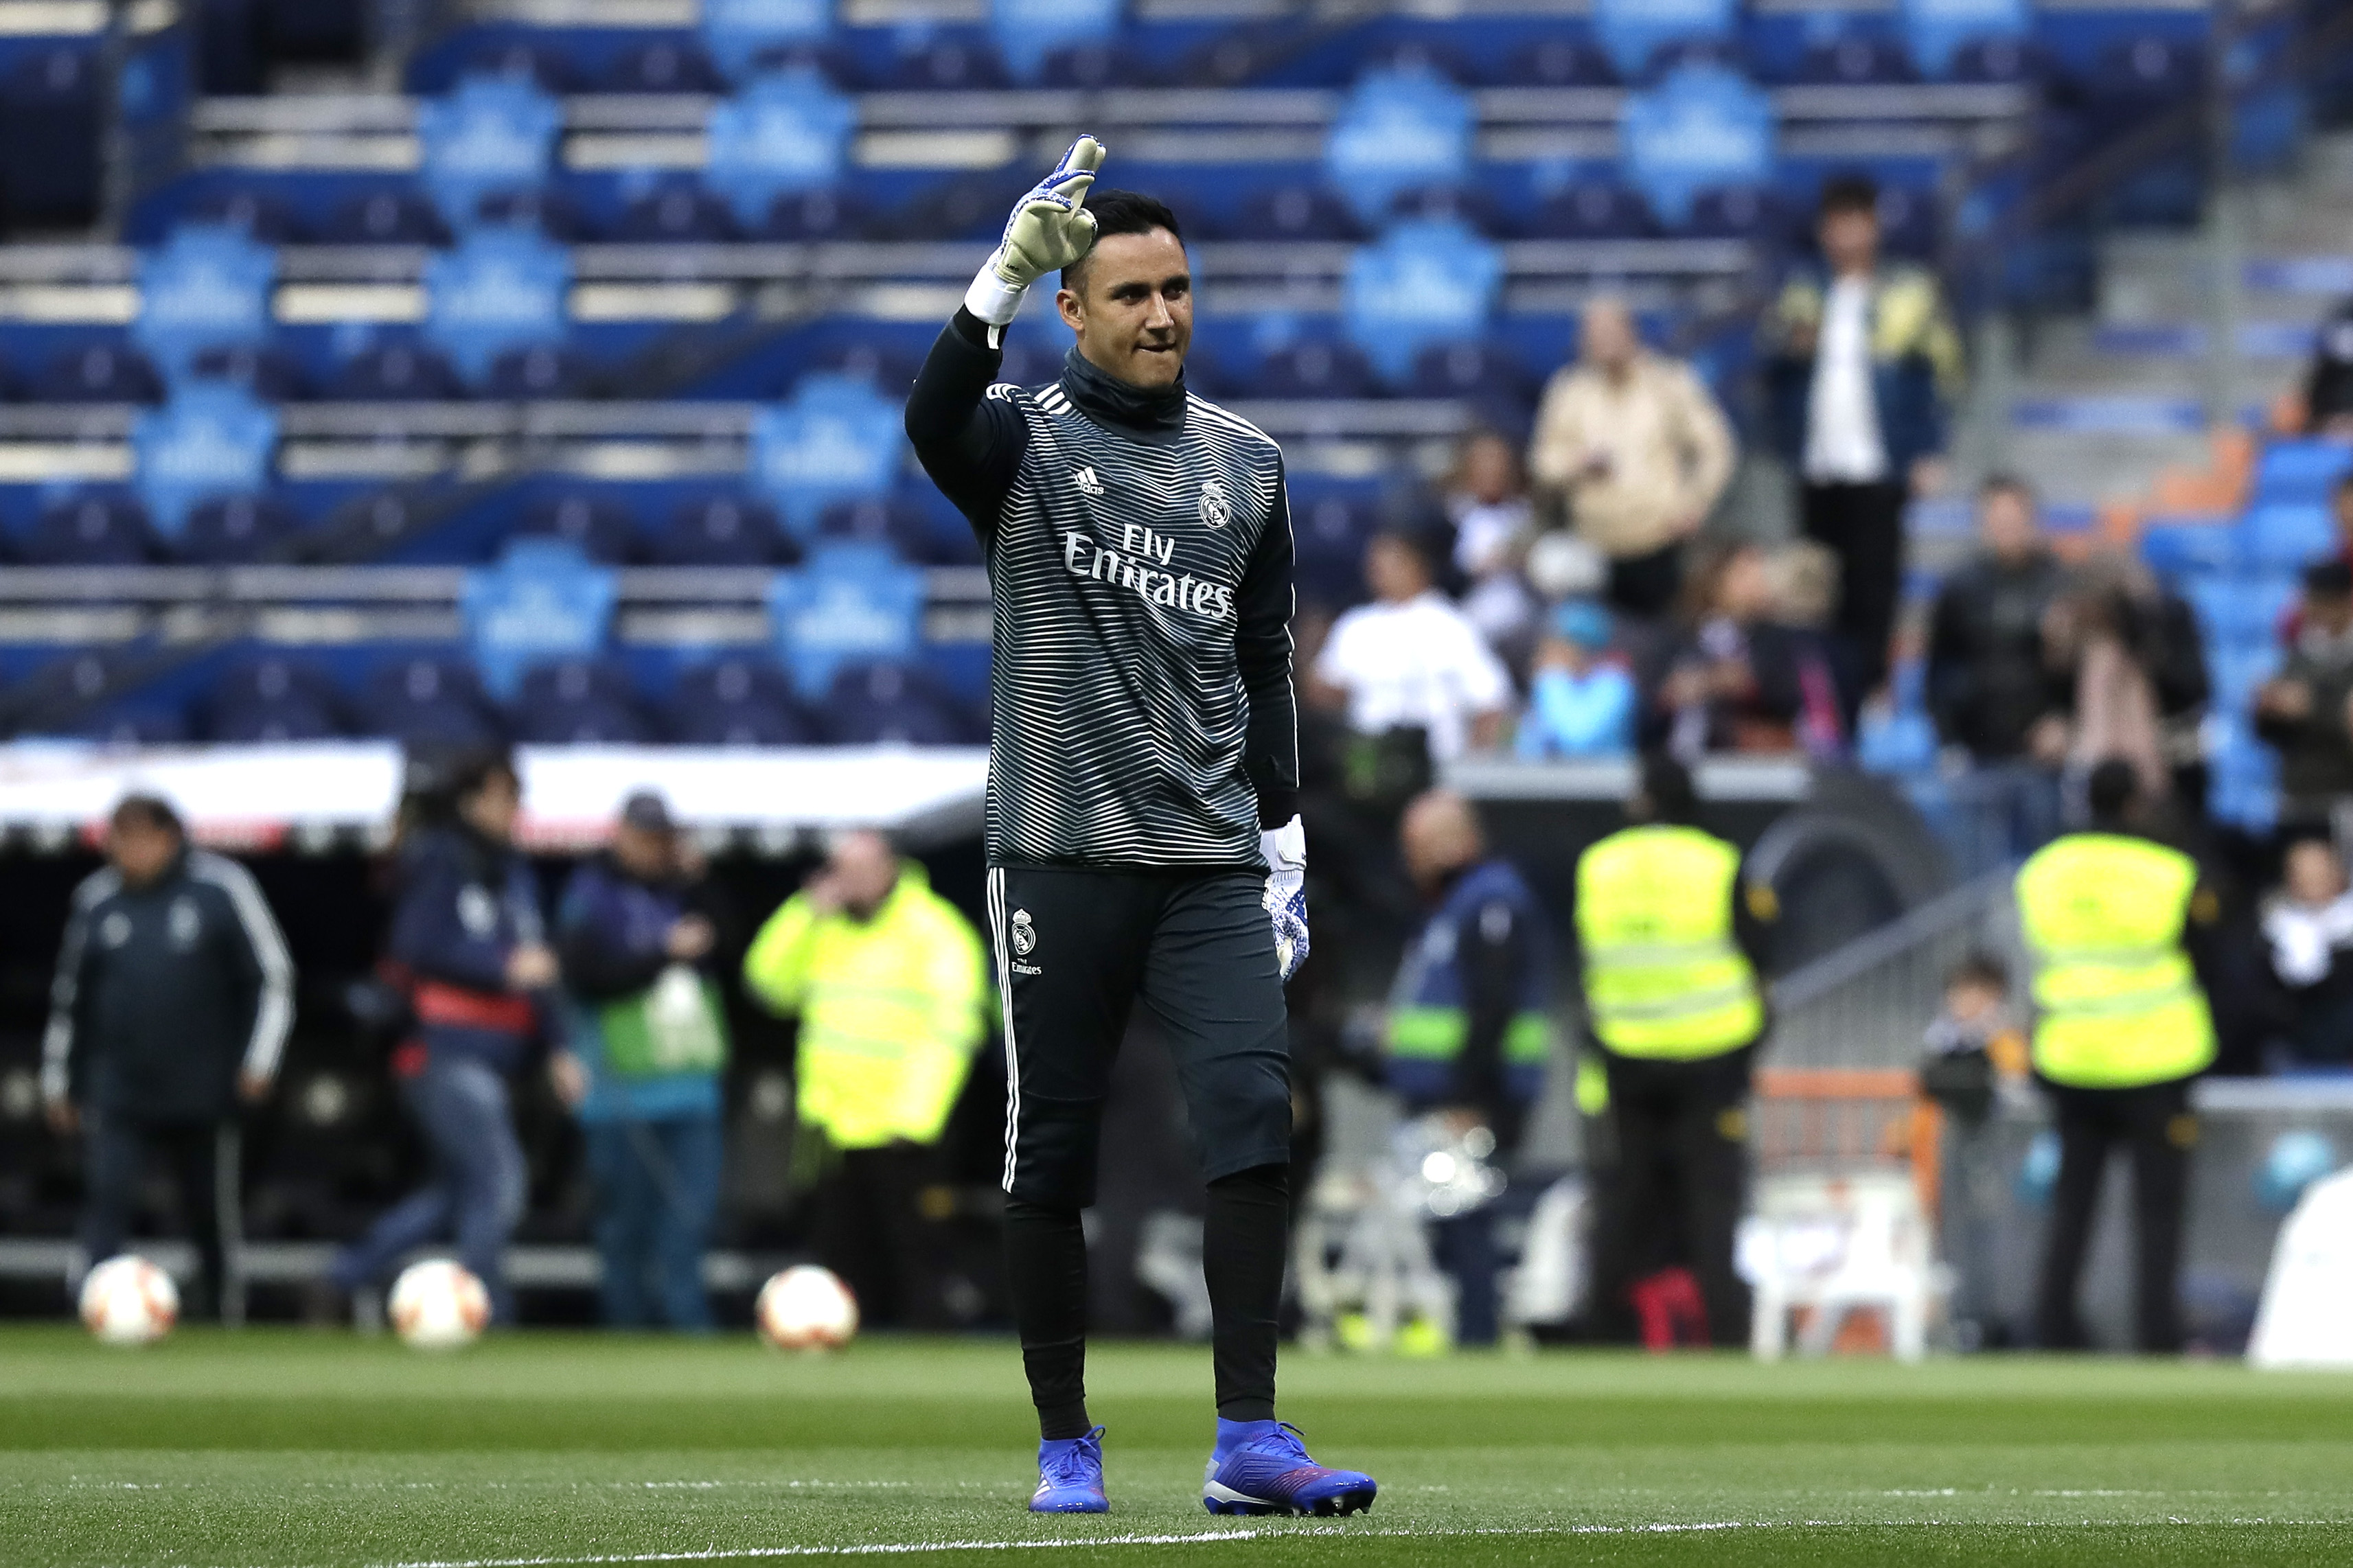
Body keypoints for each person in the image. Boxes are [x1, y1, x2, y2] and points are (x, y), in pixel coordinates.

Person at [901, 139, 1375, 1516]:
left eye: (1177, 290)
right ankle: (1066, 1436)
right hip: (1055, 848)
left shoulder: (1250, 463)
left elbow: (1270, 656)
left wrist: (1281, 833)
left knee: (1251, 1121)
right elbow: (932, 419)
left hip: (1209, 861)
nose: (1162, 314)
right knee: (1051, 1150)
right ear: (1074, 310)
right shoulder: (1022, 442)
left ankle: (1250, 1436)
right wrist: (993, 274)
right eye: (1131, 295)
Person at [41, 794, 293, 1324]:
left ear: (169, 837)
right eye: (117, 837)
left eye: (137, 836)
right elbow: (71, 999)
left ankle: (224, 1312)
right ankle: (88, 1308)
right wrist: (58, 1081)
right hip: (119, 1086)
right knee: (106, 1201)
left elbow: (271, 977)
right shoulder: (97, 899)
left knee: (209, 1212)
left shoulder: (221, 888)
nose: (125, 850)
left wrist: (259, 1061)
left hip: (202, 1087)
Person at [330, 750, 554, 1324]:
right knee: (501, 1184)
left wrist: (555, 1043)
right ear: (472, 800)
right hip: (444, 1050)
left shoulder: (511, 868)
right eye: (505, 797)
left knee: (458, 1192)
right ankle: (486, 1310)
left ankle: (344, 1277)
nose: (515, 810)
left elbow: (537, 965)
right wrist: (501, 964)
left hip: (496, 1055)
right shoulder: (441, 858)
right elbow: (416, 946)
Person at [742, 829, 987, 1330]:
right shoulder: (822, 927)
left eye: (858, 868)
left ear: (887, 868)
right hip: (832, 1128)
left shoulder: (934, 931)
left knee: (917, 1258)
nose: (847, 881)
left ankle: (930, 1366)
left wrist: (916, 1116)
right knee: (842, 1261)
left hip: (905, 1132)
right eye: (839, 869)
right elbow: (766, 984)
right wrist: (802, 913)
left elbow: (955, 1030)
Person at [2017, 758, 2219, 1353]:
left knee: (2070, 1206)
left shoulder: (2044, 871)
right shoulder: (2169, 871)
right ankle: (2156, 1335)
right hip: (2157, 1058)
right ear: (2136, 803)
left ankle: (2053, 1329)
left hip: (2072, 1056)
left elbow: (2035, 948)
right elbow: (2209, 959)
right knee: (2156, 1212)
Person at [1576, 754, 1776, 1347]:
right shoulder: (1718, 863)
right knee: (1711, 1201)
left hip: (1625, 1051)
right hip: (1711, 1053)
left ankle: (1602, 1330)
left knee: (1622, 1199)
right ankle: (1724, 1333)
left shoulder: (1599, 864)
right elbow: (1761, 952)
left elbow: (1589, 956)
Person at [1763, 173, 1965, 713]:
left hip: (1880, 460)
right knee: (1815, 584)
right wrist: (1790, 346)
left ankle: (1873, 688)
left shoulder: (1909, 290)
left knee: (1876, 584)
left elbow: (1938, 374)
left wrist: (1929, 447)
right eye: (1837, 225)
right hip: (1818, 463)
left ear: (1874, 227)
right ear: (1824, 231)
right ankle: (1820, 691)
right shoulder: (1803, 290)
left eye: (1858, 223)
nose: (1848, 236)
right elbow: (1771, 366)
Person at [551, 790, 728, 1332]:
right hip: (621, 1088)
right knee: (625, 1224)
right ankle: (625, 1331)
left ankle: (688, 1328)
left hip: (692, 1085)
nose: (655, 850)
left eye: (663, 840)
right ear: (620, 836)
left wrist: (701, 882)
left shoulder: (683, 894)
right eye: (645, 838)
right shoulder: (591, 896)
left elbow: (730, 945)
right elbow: (584, 976)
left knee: (689, 1219)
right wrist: (663, 954)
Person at [1383, 789, 1552, 1347]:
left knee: (1466, 1220)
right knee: (1451, 1220)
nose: (1409, 861)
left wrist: (1471, 1097)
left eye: (1417, 847)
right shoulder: (1457, 905)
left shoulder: (1490, 901)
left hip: (1470, 1095)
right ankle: (1470, 1333)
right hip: (1449, 1092)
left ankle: (1477, 1337)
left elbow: (1492, 1004)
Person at [1527, 296, 1736, 621]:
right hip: (1593, 546)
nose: (1605, 341)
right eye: (1595, 333)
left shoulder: (1668, 383)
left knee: (1664, 635)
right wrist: (1577, 464)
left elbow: (1715, 448)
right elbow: (1542, 462)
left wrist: (1696, 502)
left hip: (1660, 541)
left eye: (1612, 330)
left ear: (1631, 331)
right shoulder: (1569, 392)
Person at [1925, 475, 2071, 864]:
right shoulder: (1960, 587)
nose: (2006, 530)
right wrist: (1948, 739)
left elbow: (2079, 667)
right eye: (1996, 520)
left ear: (2032, 520)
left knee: (2045, 867)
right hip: (1978, 754)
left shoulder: (2061, 584)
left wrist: (2065, 722)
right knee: (1974, 875)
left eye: (2014, 519)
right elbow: (1939, 668)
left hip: (2042, 758)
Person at [1312, 529, 1514, 765]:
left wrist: (1472, 766)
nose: (1382, 574)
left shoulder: (1453, 625)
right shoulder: (1354, 625)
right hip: (1367, 767)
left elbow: (1491, 702)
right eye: (1376, 567)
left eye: (1393, 564)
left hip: (1437, 766)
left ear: (1420, 566)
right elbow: (1323, 690)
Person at [1918, 954, 2031, 1350]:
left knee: (1993, 1238)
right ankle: (1963, 1319)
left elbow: (2015, 1094)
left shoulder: (2003, 1042)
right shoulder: (1943, 1042)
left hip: (1997, 1162)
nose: (1962, 1002)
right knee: (1955, 1240)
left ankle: (1995, 1320)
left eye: (1973, 992)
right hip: (1951, 1163)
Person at [1655, 543, 1847, 759]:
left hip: (1767, 763)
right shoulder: (1683, 634)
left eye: (1760, 572)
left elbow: (1794, 699)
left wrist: (1720, 682)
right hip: (1690, 761)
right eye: (1743, 574)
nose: (1757, 582)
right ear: (1714, 580)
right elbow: (1663, 695)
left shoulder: (1785, 641)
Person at [2257, 560, 2353, 831]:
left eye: (2324, 602)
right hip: (2299, 796)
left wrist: (2313, 708)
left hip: (2344, 792)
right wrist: (2268, 709)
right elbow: (2271, 735)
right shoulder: (2298, 654)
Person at [1442, 430, 1539, 662]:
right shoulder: (1449, 515)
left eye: (1498, 463)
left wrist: (1525, 561)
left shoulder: (1527, 514)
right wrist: (1479, 567)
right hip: (1466, 622)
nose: (1492, 471)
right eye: (1482, 463)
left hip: (1524, 623)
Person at [2258, 836, 2353, 1072]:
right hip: (2292, 1059)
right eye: (2302, 873)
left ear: (2337, 874)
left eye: (2320, 872)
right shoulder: (2273, 929)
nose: (2312, 881)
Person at [1515, 600, 1636, 759]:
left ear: (1579, 649)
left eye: (1554, 644)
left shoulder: (1616, 684)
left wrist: (1552, 679)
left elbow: (1576, 741)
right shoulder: (1556, 686)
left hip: (1604, 781)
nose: (1544, 654)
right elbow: (1527, 749)